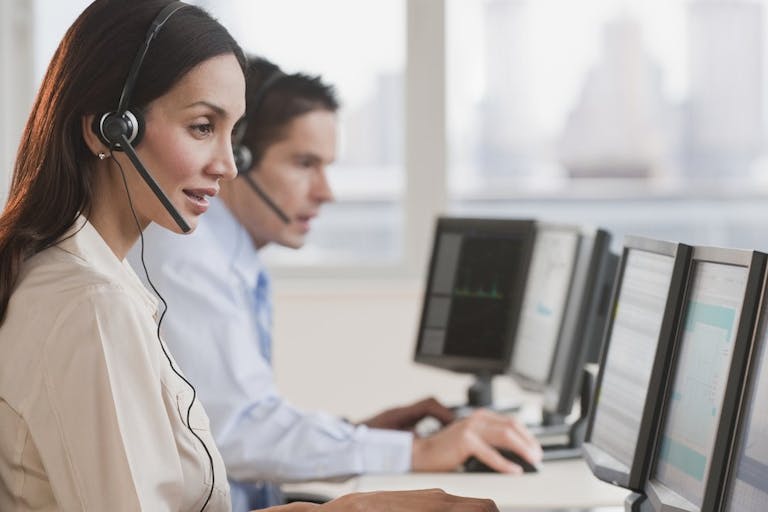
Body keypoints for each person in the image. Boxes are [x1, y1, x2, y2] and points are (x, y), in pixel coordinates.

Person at [0, 1, 501, 511]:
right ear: (109, 129)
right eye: (201, 127)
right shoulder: (92, 303)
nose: (226, 166)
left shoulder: (104, 279)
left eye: (231, 134)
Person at [130, 56, 543, 511]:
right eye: (305, 164)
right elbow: (238, 432)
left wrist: (362, 429)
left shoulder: (231, 255)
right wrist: (417, 451)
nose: (326, 191)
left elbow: (236, 418)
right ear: (239, 160)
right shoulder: (190, 256)